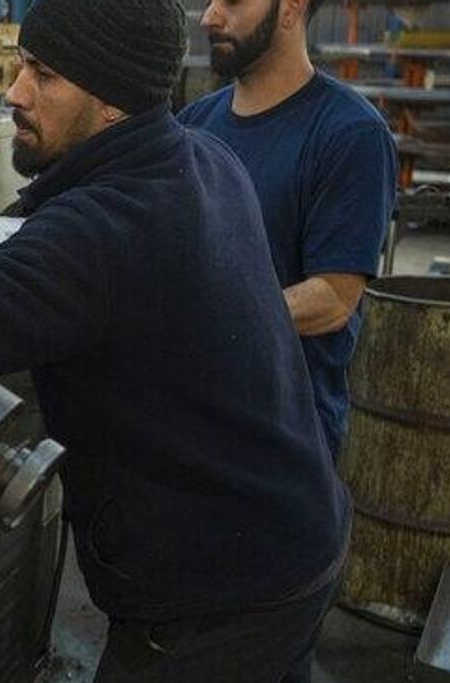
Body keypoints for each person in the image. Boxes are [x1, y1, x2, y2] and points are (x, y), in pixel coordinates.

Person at [0, 0, 347, 683]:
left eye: (43, 74)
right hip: (300, 541)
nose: (15, 92)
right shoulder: (205, 162)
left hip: (211, 597)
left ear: (112, 97)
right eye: (21, 63)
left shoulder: (103, 230)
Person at [181, 0, 398, 459]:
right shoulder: (193, 128)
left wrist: (206, 320)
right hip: (189, 419)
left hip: (280, 442)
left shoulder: (350, 134)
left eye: (233, 2)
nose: (210, 17)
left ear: (291, 8)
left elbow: (334, 299)